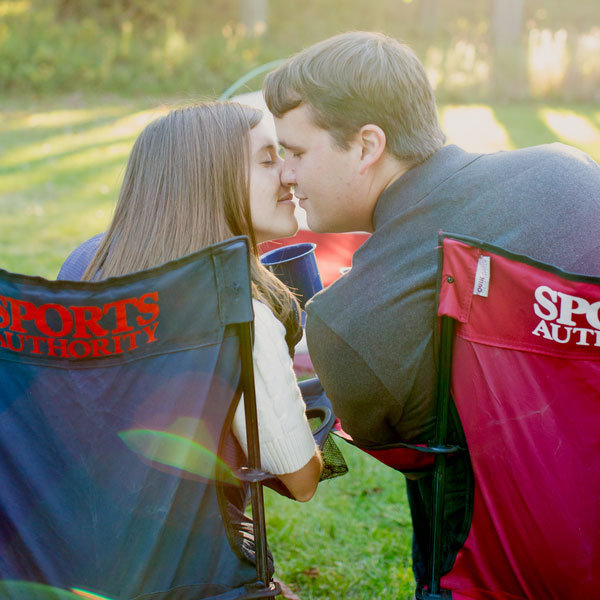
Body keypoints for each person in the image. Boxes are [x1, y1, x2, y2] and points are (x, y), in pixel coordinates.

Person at [262, 30, 600, 590]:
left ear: (368, 146)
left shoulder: (347, 320)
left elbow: (412, 451)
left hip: (492, 570)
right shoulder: (573, 175)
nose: (286, 175)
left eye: (296, 153)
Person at [58, 102, 323, 505]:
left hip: (67, 538)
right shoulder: (239, 309)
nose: (289, 173)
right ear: (209, 182)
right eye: (268, 161)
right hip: (184, 556)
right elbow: (301, 482)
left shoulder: (87, 260)